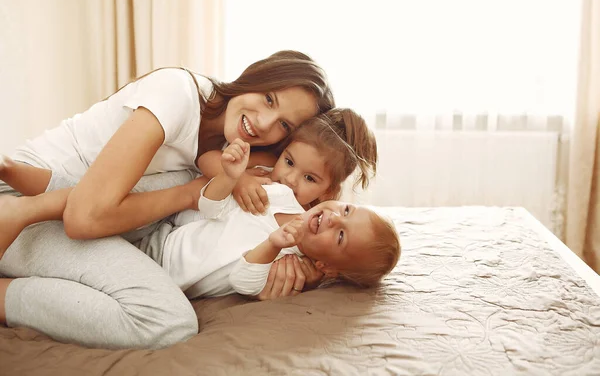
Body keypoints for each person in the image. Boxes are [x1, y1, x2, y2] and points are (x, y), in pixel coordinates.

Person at [0, 51, 335, 349]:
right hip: (26, 206)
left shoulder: (236, 142)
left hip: (88, 215)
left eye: (283, 124)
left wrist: (310, 261)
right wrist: (188, 195)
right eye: (268, 99)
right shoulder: (178, 94)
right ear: (253, 77)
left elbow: (295, 180)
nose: (263, 122)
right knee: (167, 323)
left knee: (206, 187)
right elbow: (82, 219)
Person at [0, 109, 399, 302]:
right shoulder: (275, 191)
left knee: (116, 209)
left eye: (341, 235)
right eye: (344, 214)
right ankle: (19, 175)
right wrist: (230, 179)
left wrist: (277, 245)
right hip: (169, 227)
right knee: (117, 194)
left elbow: (246, 281)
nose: (290, 178)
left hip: (158, 262)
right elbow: (212, 204)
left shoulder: (290, 264)